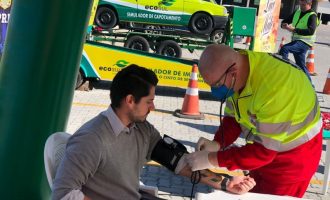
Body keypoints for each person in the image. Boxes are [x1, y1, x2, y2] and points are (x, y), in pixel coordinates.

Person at [52, 64, 255, 200]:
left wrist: (227, 182)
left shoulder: (141, 129)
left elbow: (179, 162)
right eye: (149, 102)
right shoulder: (91, 139)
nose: (153, 107)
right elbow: (63, 194)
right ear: (130, 101)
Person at [185, 44, 323, 198]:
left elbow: (263, 153)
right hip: (264, 150)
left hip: (294, 160)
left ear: (233, 72)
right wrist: (218, 143)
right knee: (253, 192)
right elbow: (234, 118)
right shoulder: (241, 71)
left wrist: (212, 159)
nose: (215, 90)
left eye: (217, 84)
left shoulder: (275, 89)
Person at [279, 0, 319, 74]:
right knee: (301, 65)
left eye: (303, 5)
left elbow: (311, 31)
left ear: (309, 4)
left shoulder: (312, 15)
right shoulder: (297, 12)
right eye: (300, 4)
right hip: (297, 42)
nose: (301, 7)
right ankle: (310, 85)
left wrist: (294, 29)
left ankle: (284, 70)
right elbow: (285, 21)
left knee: (285, 48)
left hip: (305, 42)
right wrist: (284, 25)